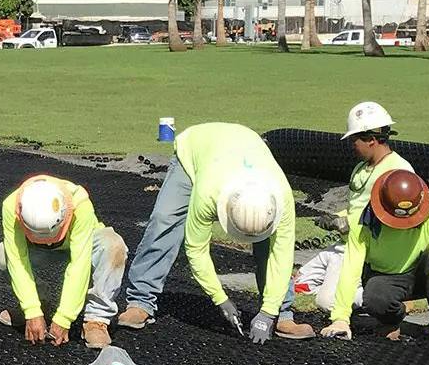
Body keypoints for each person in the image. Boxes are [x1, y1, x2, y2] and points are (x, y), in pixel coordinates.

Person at [114, 121, 314, 343]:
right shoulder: (208, 192)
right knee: (165, 220)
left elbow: (282, 257)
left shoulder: (282, 198)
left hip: (246, 145)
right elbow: (196, 249)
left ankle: (281, 313)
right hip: (196, 150)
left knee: (269, 245)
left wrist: (268, 312)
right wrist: (220, 298)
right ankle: (140, 301)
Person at [321, 169, 429, 340]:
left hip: (423, 272)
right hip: (387, 276)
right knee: (375, 299)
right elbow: (350, 268)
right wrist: (340, 318)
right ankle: (393, 317)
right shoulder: (362, 222)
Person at [0, 175, 129, 349]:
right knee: (2, 255)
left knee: (113, 244)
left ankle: (96, 320)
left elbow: (79, 264)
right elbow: (17, 260)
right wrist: (31, 310)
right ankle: (40, 303)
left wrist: (64, 318)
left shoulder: (80, 202)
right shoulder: (10, 206)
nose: (49, 240)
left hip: (83, 243)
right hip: (37, 249)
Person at [342, 101, 414, 231]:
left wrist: (349, 223)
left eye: (354, 141)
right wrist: (339, 216)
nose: (352, 146)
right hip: (350, 241)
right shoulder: (360, 168)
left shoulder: (398, 172)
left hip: (376, 244)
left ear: (370, 140)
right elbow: (356, 206)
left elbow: (401, 218)